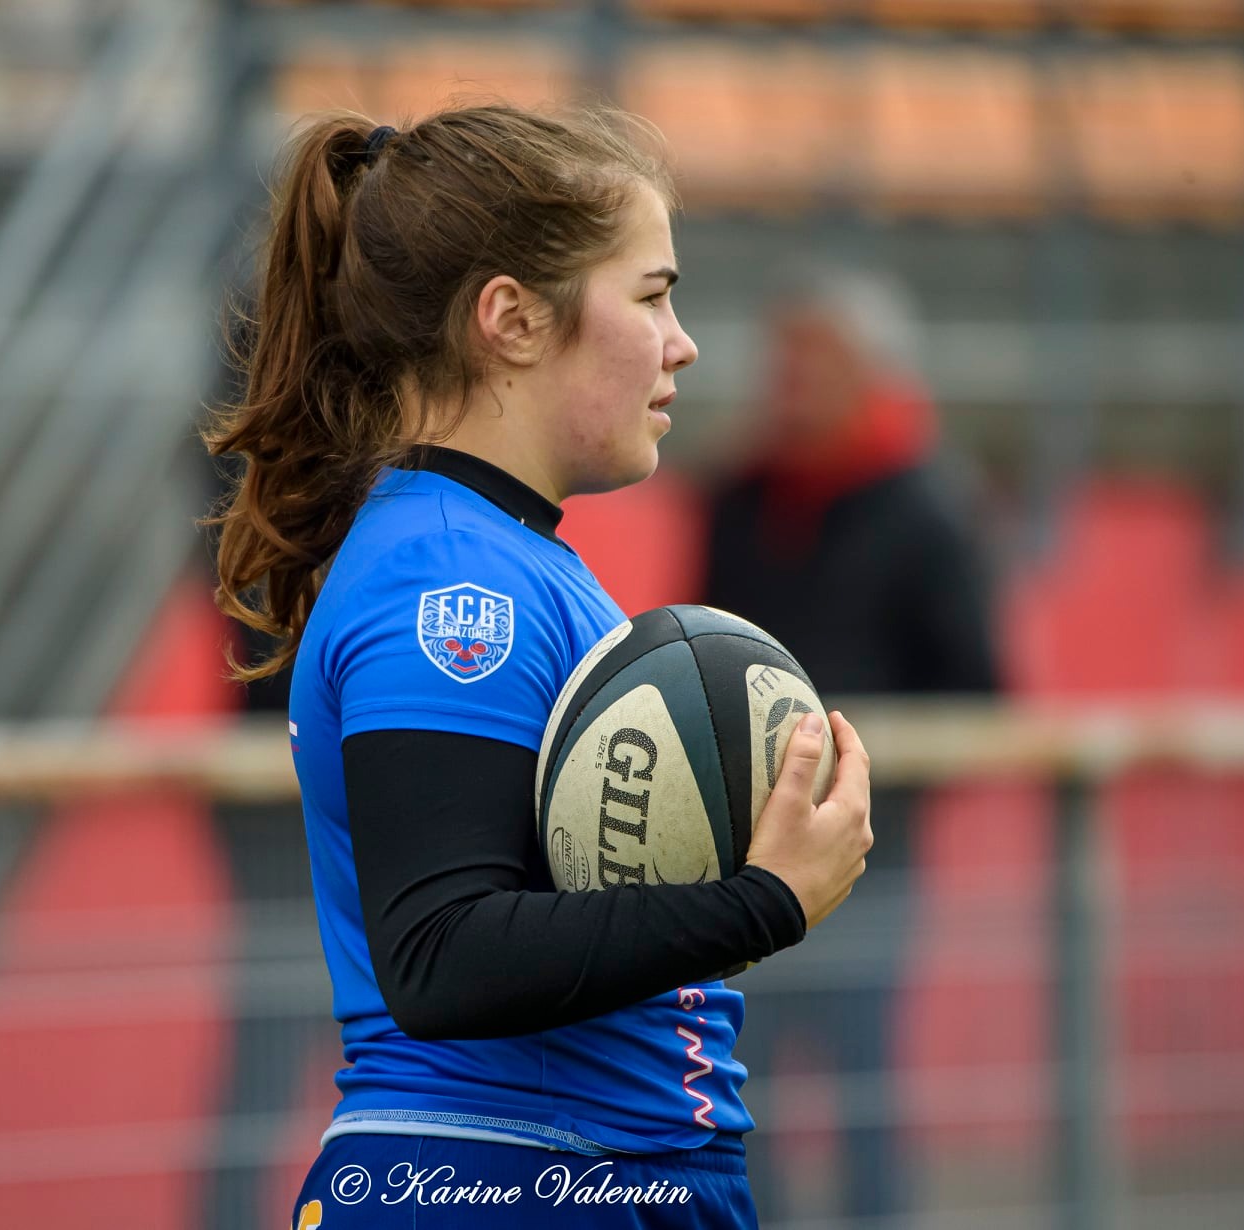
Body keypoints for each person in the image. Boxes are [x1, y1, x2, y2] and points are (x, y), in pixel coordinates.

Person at [203, 105, 875, 1229]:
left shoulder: (500, 553)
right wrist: (763, 901)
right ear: (511, 318)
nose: (682, 342)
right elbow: (442, 954)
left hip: (571, 1173)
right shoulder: (448, 582)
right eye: (651, 296)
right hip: (501, 1178)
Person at [702, 266, 1002, 1225]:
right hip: (743, 845)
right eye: (782, 361)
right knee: (740, 1073)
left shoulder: (928, 506)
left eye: (813, 362)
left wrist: (869, 786)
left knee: (861, 1074)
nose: (789, 383)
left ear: (871, 373)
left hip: (869, 851)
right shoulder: (741, 497)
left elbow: (977, 691)